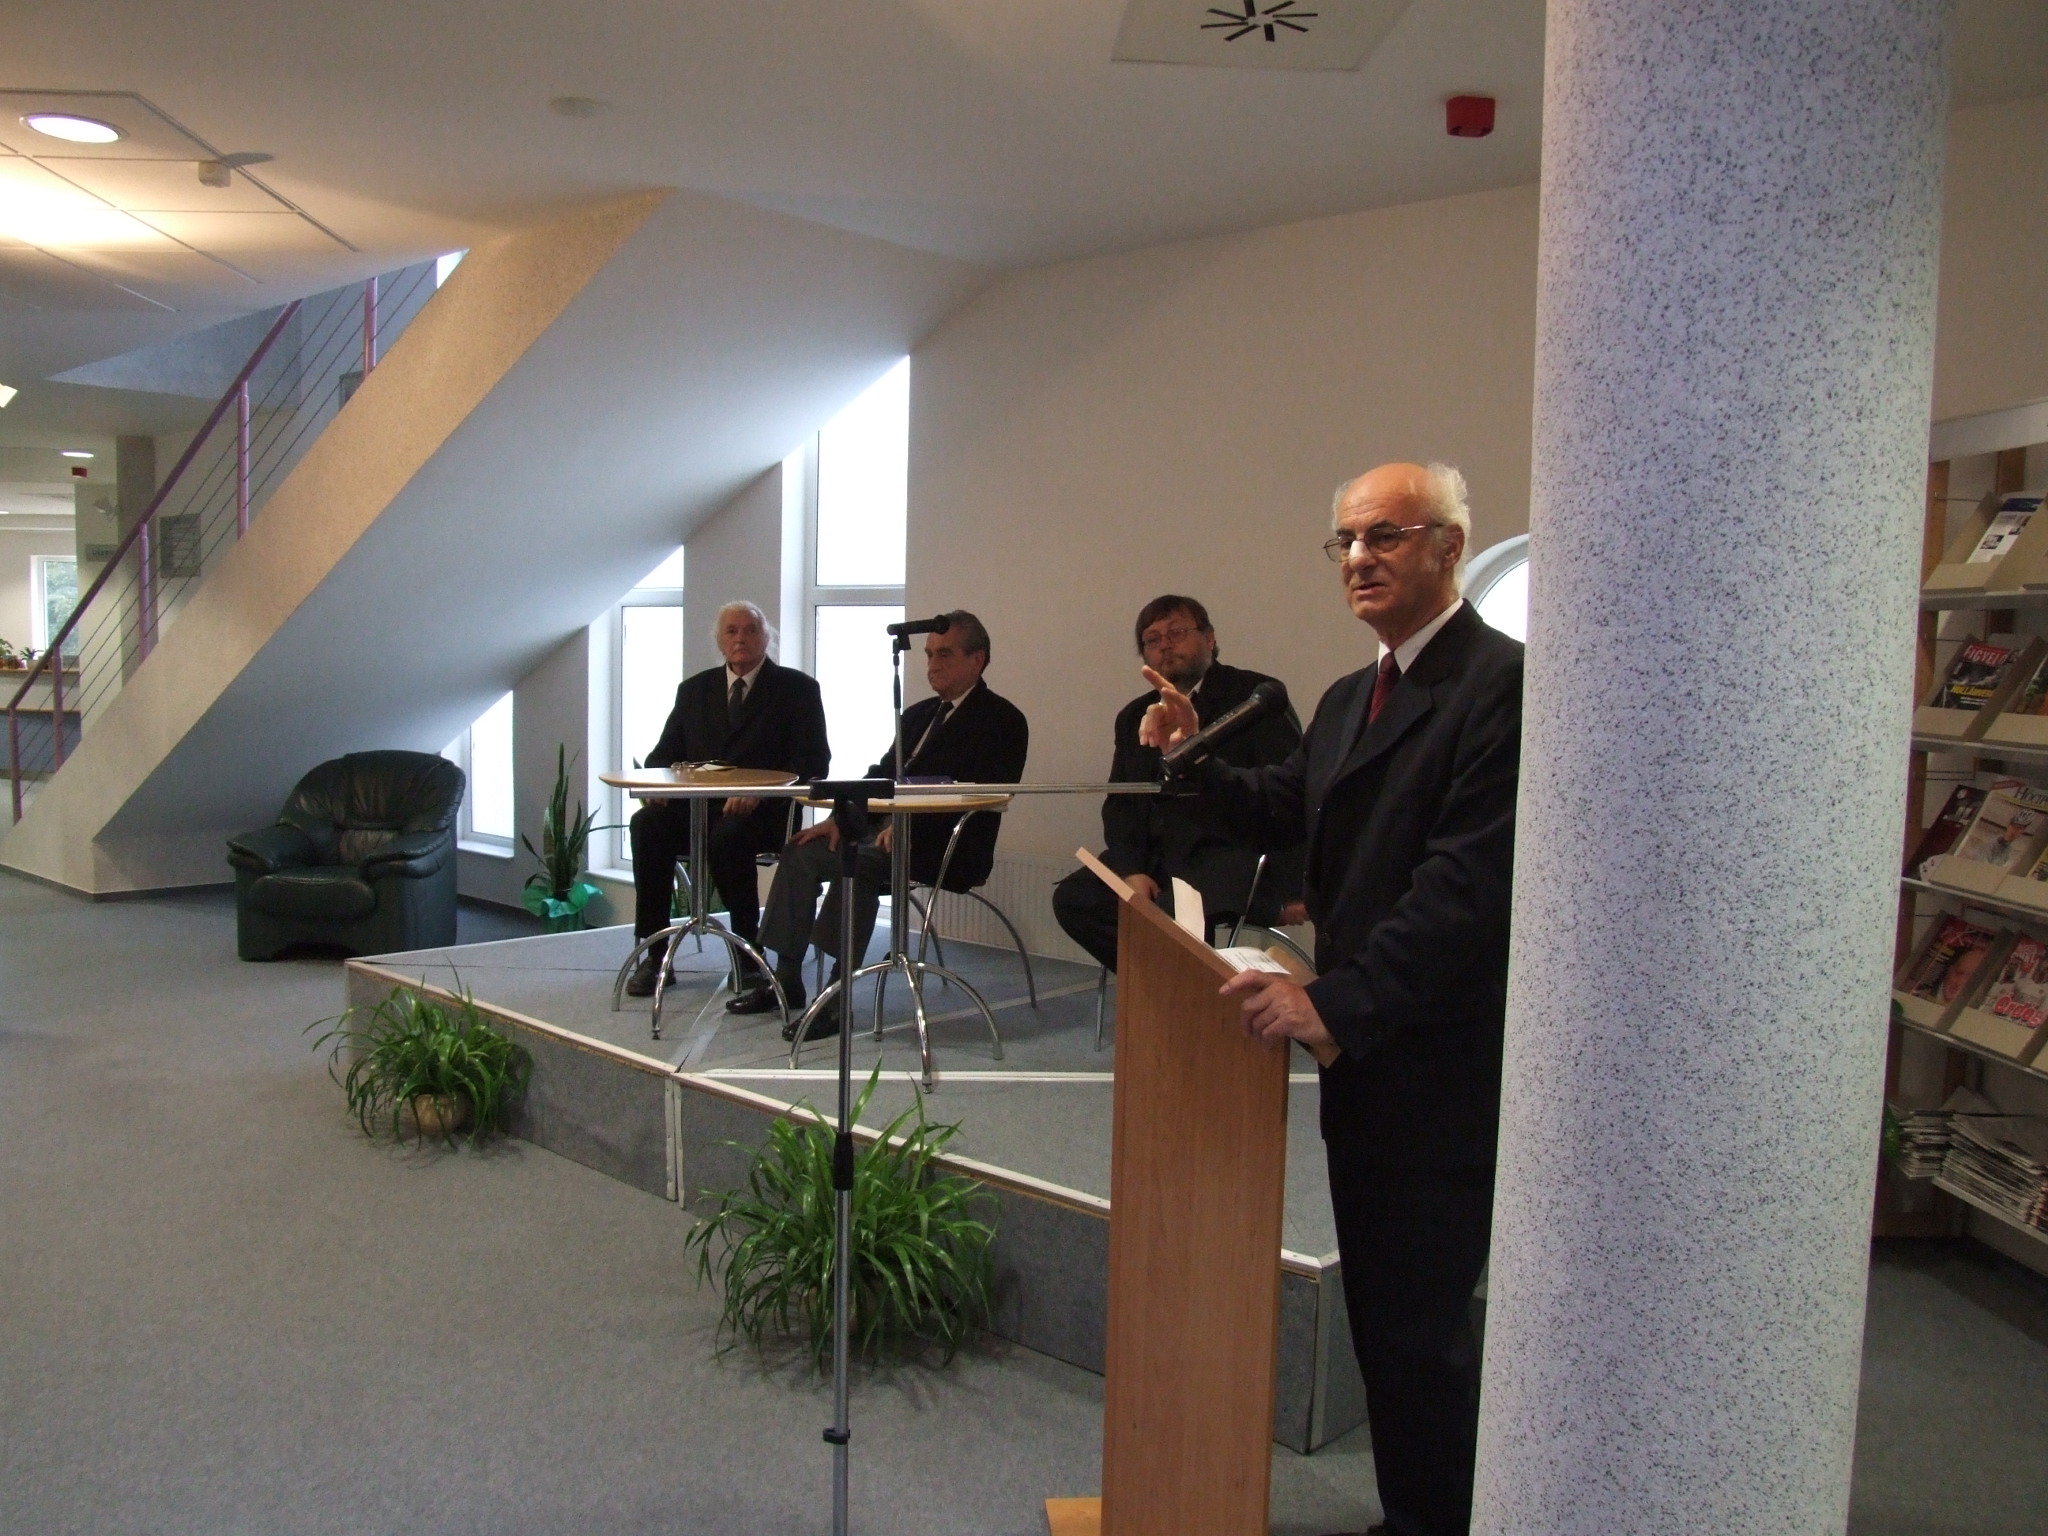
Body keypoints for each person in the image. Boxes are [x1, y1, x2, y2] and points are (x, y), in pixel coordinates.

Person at [1140, 463, 1522, 1536]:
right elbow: (1285, 806)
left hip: (1433, 1050)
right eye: (1345, 541)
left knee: (1421, 1324)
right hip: (1366, 1056)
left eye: (1384, 536)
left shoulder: (1502, 683)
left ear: (1450, 546)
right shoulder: (1353, 693)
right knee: (1386, 1315)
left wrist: (1337, 1005)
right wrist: (1189, 756)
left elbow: (1465, 886)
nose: (1357, 558)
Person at [733, 610, 1029, 1035]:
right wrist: (840, 818)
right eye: (928, 654)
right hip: (885, 833)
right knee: (802, 849)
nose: (932, 665)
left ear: (977, 659)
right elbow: (881, 775)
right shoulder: (919, 714)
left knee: (858, 863)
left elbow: (979, 796)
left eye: (944, 654)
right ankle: (785, 977)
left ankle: (835, 997)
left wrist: (907, 823)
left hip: (945, 844)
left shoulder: (1003, 720)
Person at [1052, 594, 1305, 970]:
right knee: (1076, 900)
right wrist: (1131, 869)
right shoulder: (1133, 717)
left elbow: (1289, 796)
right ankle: (1171, 989)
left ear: (1210, 638)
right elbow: (1121, 804)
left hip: (1226, 857)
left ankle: (1185, 991)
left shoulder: (1253, 697)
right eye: (1152, 640)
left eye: (1177, 633)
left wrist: (1293, 889)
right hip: (1154, 861)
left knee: (1172, 916)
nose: (1165, 645)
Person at [623, 601, 830, 997]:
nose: (741, 639)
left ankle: (748, 955)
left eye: (751, 630)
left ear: (766, 638)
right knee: (646, 824)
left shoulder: (797, 690)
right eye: (732, 631)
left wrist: (760, 792)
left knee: (728, 835)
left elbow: (814, 762)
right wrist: (658, 789)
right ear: (719, 641)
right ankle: (655, 954)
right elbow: (660, 758)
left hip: (762, 816)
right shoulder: (694, 690)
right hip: (695, 812)